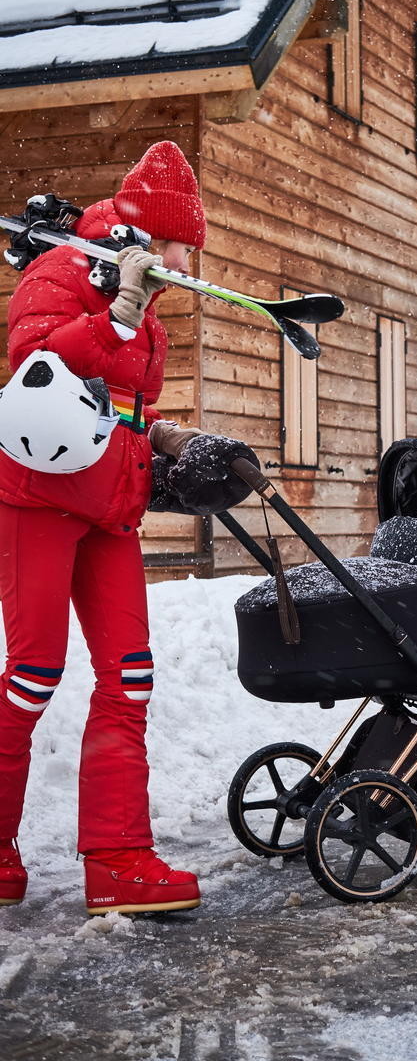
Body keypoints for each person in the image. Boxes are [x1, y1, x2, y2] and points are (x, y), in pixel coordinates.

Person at [0, 141, 210, 915]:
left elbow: (118, 403)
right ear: (150, 233)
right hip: (39, 498)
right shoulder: (62, 270)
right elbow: (35, 366)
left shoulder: (145, 299)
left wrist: (161, 436)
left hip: (111, 506)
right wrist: (115, 315)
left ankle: (119, 859)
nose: (185, 263)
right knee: (34, 674)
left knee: (130, 676)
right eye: (181, 244)